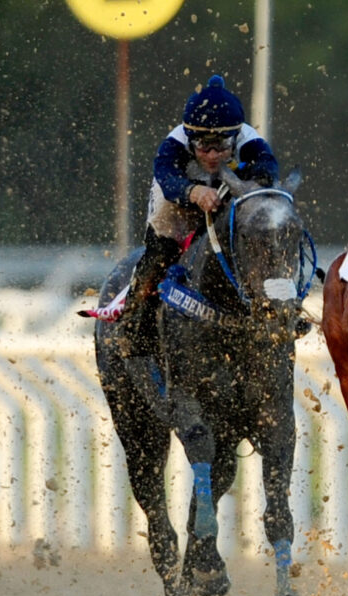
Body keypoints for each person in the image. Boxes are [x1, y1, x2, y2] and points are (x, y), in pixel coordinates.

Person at [86, 74, 278, 403]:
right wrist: (194, 191)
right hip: (176, 206)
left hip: (226, 203)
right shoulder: (173, 143)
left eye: (222, 146)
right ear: (190, 140)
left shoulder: (251, 139)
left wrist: (246, 186)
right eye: (205, 146)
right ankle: (134, 323)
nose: (214, 154)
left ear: (236, 137)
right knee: (159, 254)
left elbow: (268, 171)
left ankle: (280, 313)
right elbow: (166, 177)